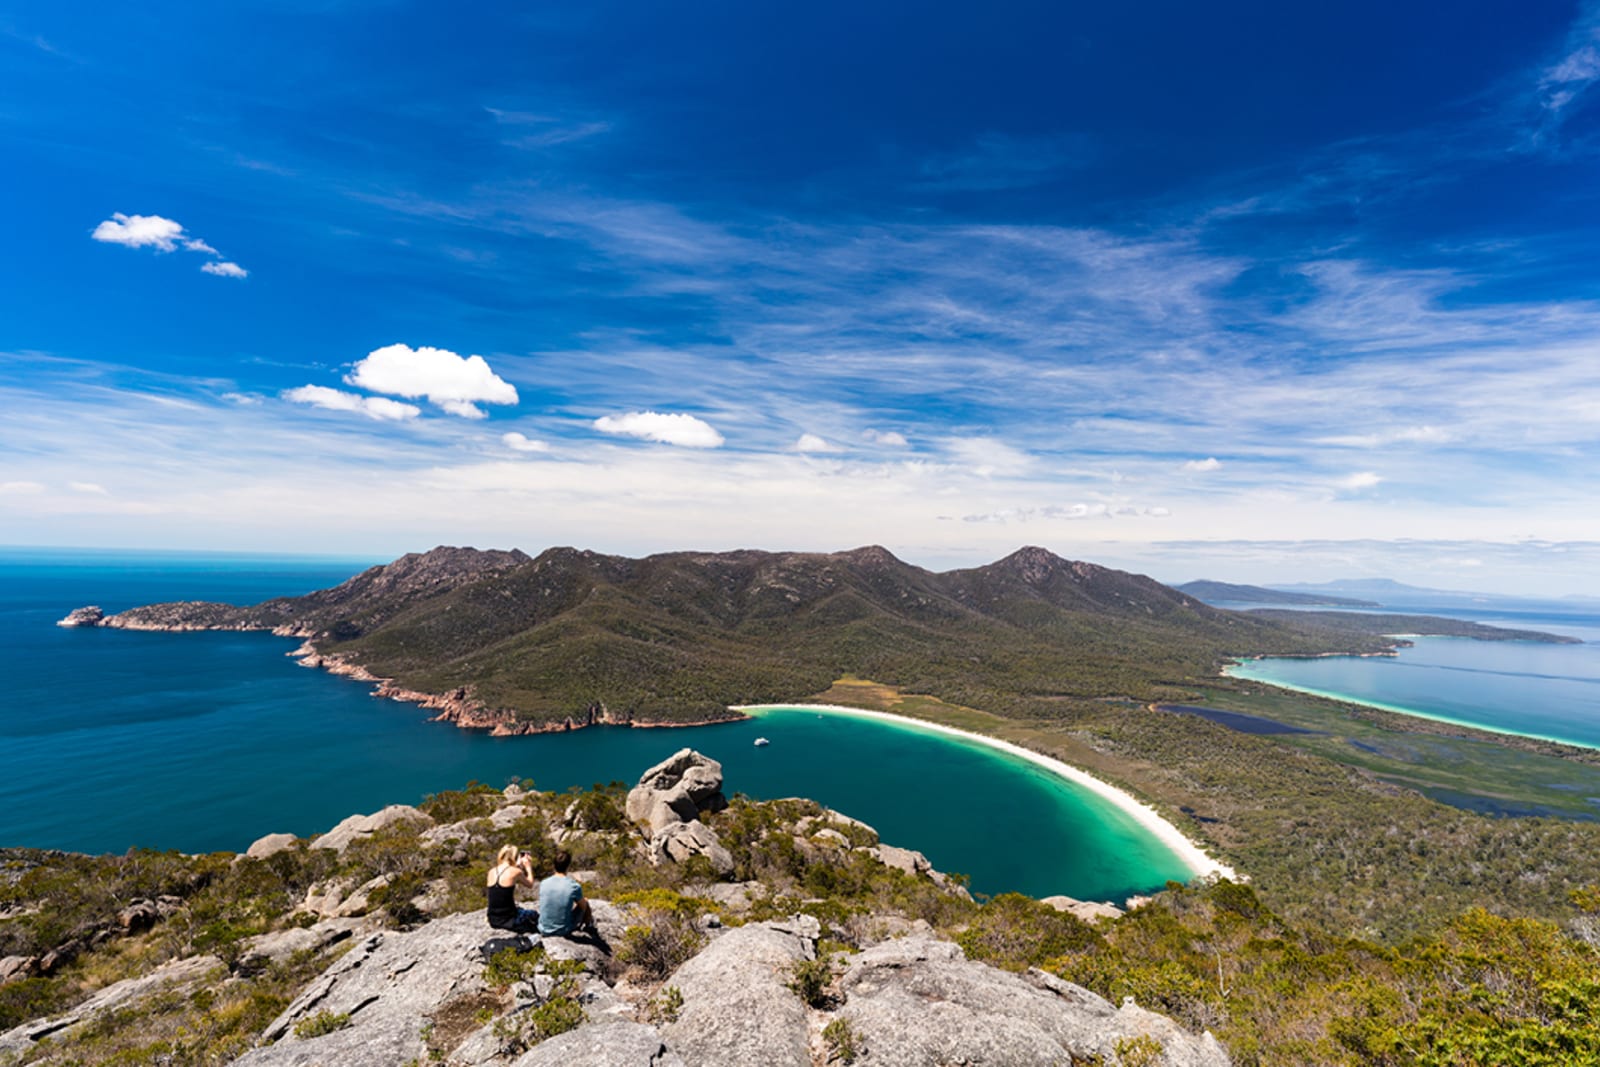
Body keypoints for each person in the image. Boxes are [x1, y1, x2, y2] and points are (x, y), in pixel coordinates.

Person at [537, 848, 598, 939]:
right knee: (584, 901)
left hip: (543, 929)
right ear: (568, 866)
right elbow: (583, 906)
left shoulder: (544, 883)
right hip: (562, 930)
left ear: (554, 865)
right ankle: (588, 926)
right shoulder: (573, 886)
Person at [485, 844, 539, 934]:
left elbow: (506, 876)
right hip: (509, 920)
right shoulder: (515, 871)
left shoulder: (491, 871)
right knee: (533, 915)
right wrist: (528, 867)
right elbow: (530, 884)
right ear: (515, 856)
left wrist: (517, 865)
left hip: (493, 919)